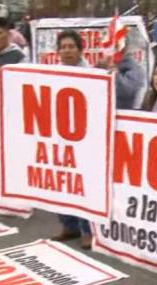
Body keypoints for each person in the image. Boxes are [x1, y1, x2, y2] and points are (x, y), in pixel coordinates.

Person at [52, 30, 93, 249]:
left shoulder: (92, 74)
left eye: (71, 47)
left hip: (84, 137)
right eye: (63, 47)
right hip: (59, 135)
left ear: (80, 49)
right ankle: (68, 225)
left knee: (82, 184)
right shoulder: (53, 73)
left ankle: (87, 230)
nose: (67, 51)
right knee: (61, 181)